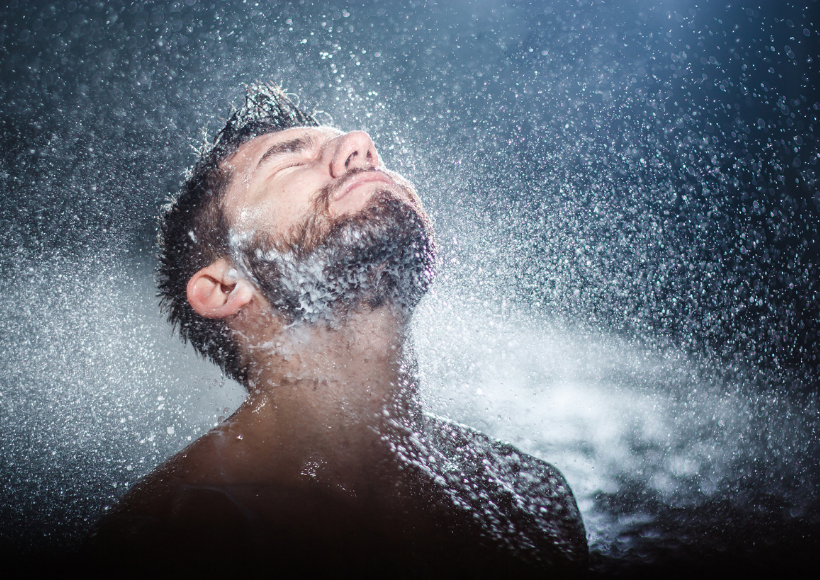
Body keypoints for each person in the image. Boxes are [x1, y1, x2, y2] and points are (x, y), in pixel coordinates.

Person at [85, 84, 588, 577]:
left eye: (357, 144)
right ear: (224, 287)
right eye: (289, 161)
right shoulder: (175, 542)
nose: (361, 145)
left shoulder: (532, 497)